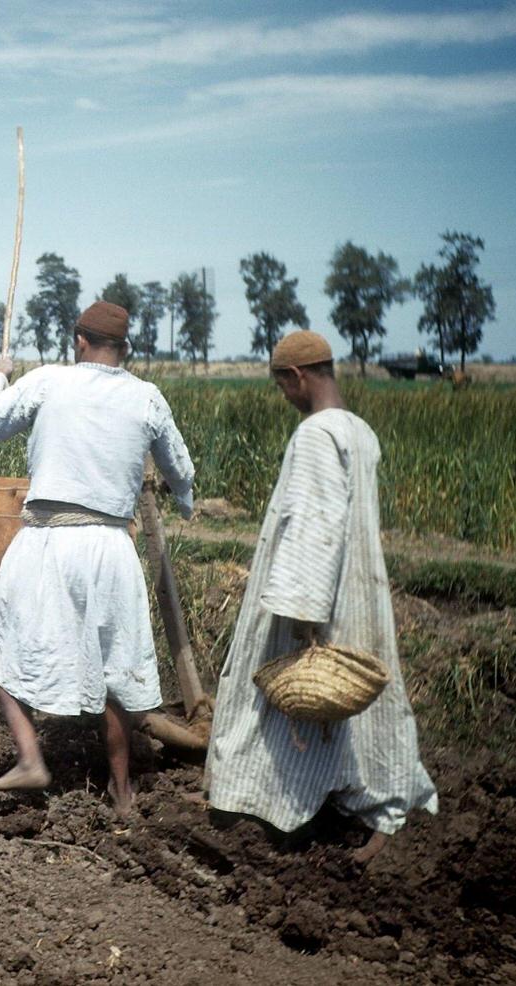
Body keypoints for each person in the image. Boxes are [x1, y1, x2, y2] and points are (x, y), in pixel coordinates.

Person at [205, 330, 438, 864]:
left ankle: (265, 808)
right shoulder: (360, 432)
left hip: (317, 599)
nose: (285, 396)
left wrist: (303, 615)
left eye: (282, 385)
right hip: (359, 591)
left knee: (283, 703)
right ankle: (374, 801)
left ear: (297, 377)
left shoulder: (315, 435)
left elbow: (313, 526)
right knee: (362, 707)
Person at [0, 301, 195, 815]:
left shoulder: (49, 381)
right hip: (113, 547)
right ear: (125, 348)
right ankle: (121, 791)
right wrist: (181, 495)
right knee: (115, 667)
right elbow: (181, 469)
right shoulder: (147, 398)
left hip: (49, 539)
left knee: (1, 639)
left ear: (79, 340)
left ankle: (31, 758)